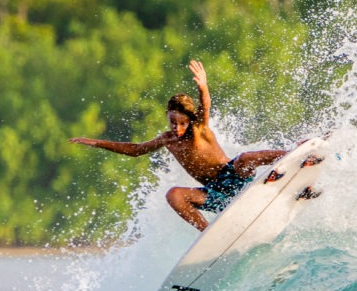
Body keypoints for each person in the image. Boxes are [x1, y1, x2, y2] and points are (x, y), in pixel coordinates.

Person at [70, 60, 311, 231]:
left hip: (234, 177)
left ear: (190, 120)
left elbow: (205, 104)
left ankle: (296, 155)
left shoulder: (198, 130)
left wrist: (203, 86)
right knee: (174, 195)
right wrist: (95, 142)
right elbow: (135, 150)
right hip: (216, 194)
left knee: (246, 158)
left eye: (181, 123)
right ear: (167, 116)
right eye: (173, 122)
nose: (177, 127)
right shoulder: (167, 140)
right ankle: (209, 234)